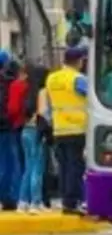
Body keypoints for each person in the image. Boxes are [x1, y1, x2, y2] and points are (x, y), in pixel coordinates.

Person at [46, 46, 89, 215]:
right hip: (77, 129)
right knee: (75, 167)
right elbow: (92, 96)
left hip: (58, 129)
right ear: (79, 61)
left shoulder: (52, 79)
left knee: (64, 168)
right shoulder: (78, 79)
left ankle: (66, 201)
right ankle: (73, 202)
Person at [17, 65, 49, 213]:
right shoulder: (42, 91)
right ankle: (36, 202)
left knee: (28, 167)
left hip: (25, 130)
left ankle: (22, 201)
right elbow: (43, 112)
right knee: (38, 168)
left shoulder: (27, 90)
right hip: (37, 131)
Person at [5, 62, 29, 208]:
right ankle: (25, 197)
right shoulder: (27, 85)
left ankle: (16, 196)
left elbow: (13, 108)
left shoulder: (16, 86)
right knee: (27, 162)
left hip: (15, 125)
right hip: (26, 125)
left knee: (16, 162)